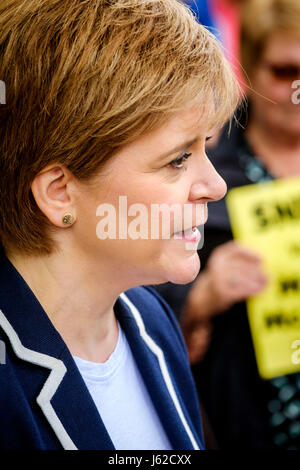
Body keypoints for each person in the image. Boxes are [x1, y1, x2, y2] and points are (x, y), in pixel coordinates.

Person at [0, 0, 240, 450]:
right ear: (59, 192)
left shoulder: (149, 320)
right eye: (178, 159)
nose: (214, 185)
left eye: (206, 147)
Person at [155, 0, 300, 450]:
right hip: (249, 415)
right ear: (251, 72)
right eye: (285, 70)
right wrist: (205, 294)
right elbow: (134, 297)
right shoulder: (197, 173)